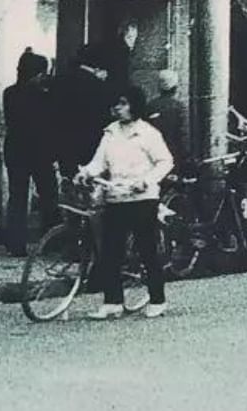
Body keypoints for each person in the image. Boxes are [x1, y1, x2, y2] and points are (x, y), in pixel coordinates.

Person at [78, 86, 173, 319]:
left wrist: (146, 181)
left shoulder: (147, 133)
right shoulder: (110, 132)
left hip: (142, 198)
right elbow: (99, 161)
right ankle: (113, 301)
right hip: (116, 196)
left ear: (134, 106)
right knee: (110, 251)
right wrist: (87, 172)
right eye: (116, 104)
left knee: (146, 249)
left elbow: (165, 161)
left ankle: (157, 299)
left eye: (123, 103)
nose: (118, 108)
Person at [2, 49, 59, 257]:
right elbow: (49, 122)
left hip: (15, 149)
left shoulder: (9, 93)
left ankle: (15, 243)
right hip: (39, 151)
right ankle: (52, 239)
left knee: (17, 197)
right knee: (49, 194)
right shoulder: (44, 95)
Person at [56, 45, 114, 179]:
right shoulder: (98, 85)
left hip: (64, 142)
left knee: (68, 180)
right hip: (89, 142)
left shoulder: (60, 80)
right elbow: (104, 116)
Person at [145, 70, 189, 167]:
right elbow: (182, 133)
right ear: (175, 88)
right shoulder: (179, 107)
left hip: (153, 153)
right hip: (173, 153)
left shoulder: (150, 106)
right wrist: (185, 156)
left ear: (159, 87)